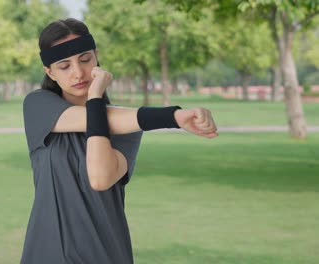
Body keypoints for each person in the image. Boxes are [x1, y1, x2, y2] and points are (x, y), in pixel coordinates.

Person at [21, 18, 218, 264]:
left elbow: (100, 178)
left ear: (96, 56)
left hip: (106, 254)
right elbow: (97, 117)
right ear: (49, 72)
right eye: (64, 66)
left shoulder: (128, 127)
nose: (79, 73)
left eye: (85, 59)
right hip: (48, 254)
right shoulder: (37, 106)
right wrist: (172, 116)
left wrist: (96, 99)